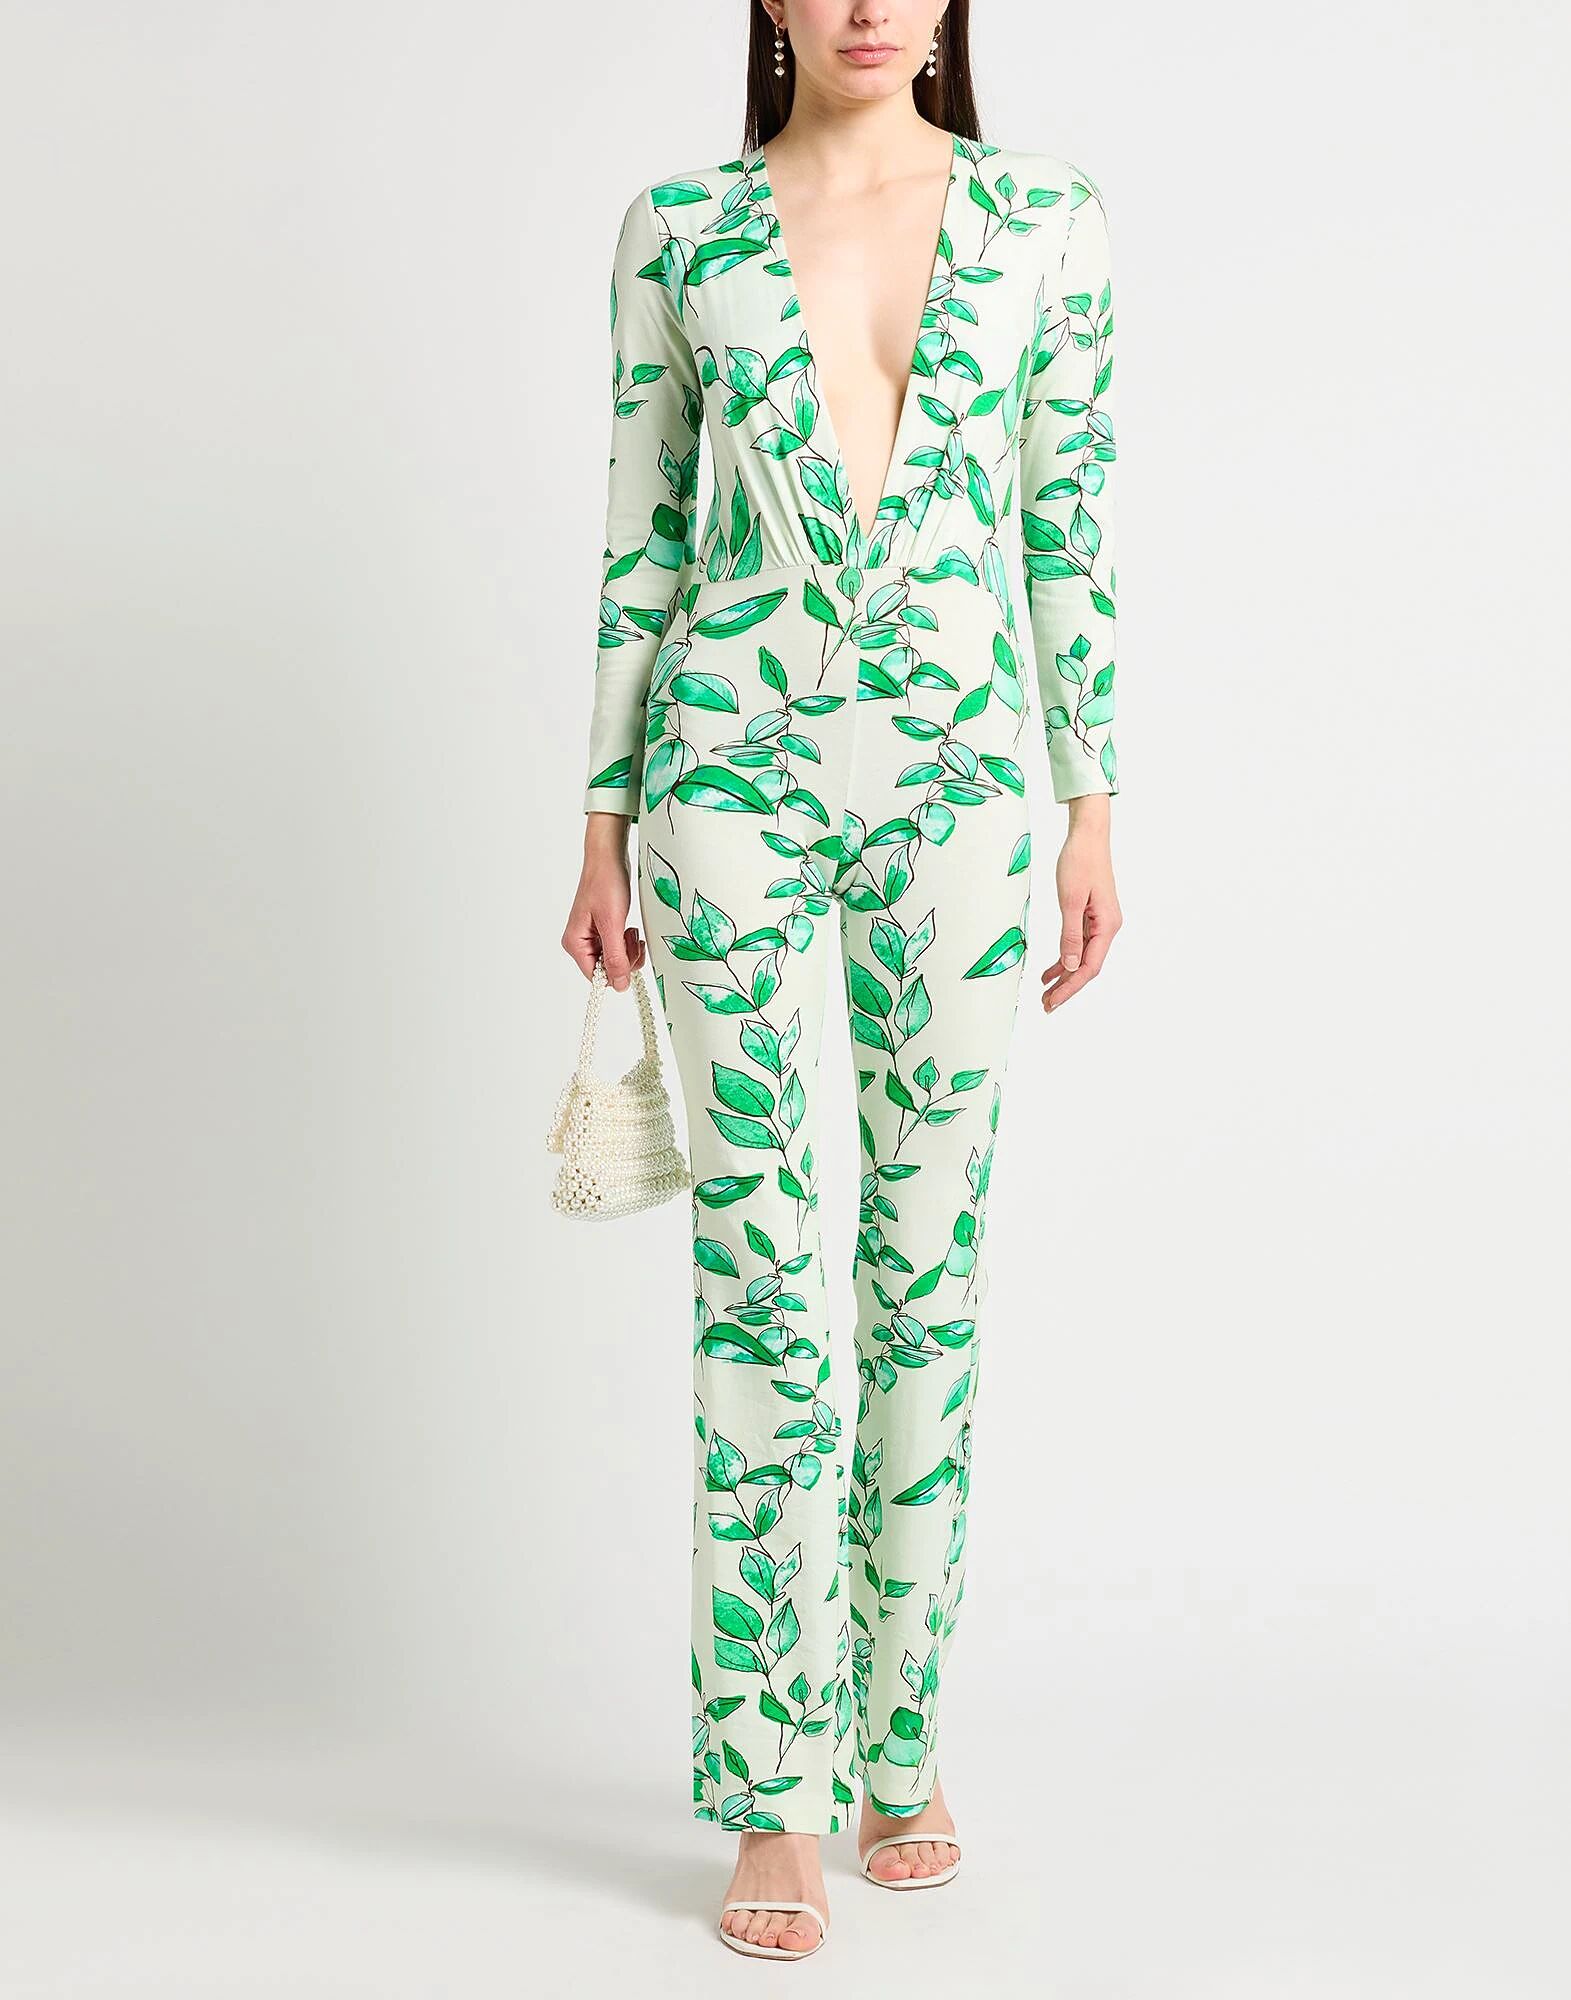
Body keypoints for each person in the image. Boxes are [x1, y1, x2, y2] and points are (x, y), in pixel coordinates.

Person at [561, 0, 1122, 1961]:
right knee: (761, 1271)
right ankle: (768, 1789)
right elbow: (641, 526)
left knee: (925, 1267)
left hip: (962, 782)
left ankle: (901, 1743)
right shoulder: (681, 227)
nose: (872, 1)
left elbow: (1067, 521)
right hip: (728, 764)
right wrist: (602, 813)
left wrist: (1093, 800)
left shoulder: (1049, 220)